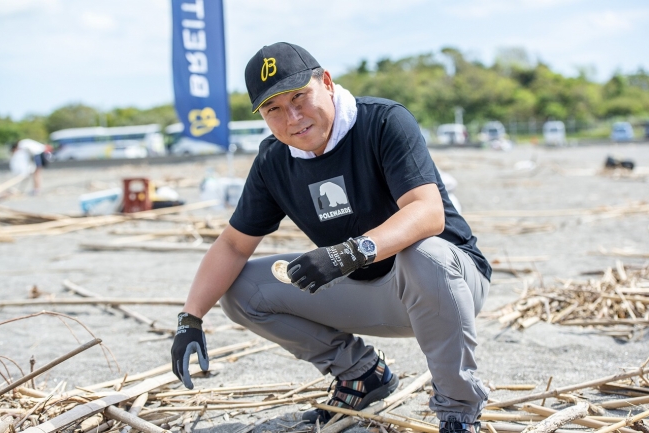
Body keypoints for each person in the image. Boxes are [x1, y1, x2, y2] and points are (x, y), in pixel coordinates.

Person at [171, 42, 491, 432]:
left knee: (424, 255)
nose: (293, 117)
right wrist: (190, 319)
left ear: (325, 82)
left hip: (446, 285)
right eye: (274, 108)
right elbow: (233, 245)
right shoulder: (274, 160)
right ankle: (362, 376)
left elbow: (427, 212)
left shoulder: (383, 122)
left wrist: (348, 253)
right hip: (369, 294)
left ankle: (458, 412)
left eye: (299, 97)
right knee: (241, 290)